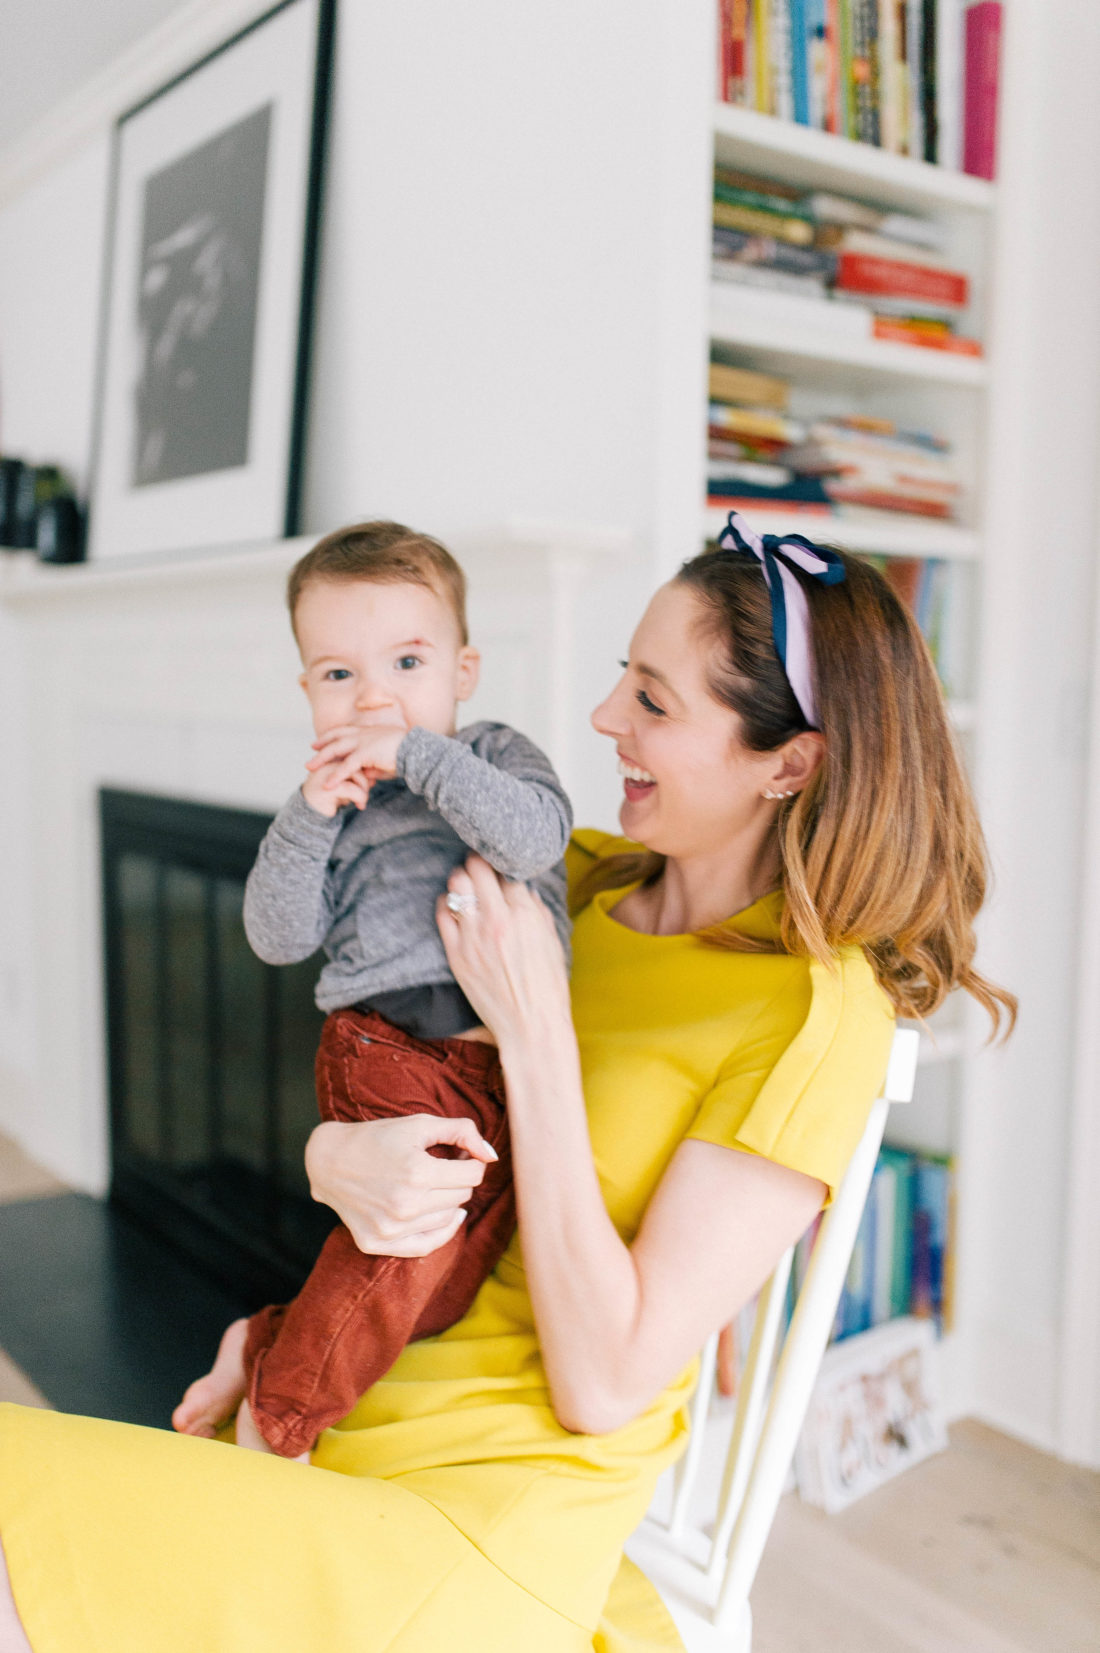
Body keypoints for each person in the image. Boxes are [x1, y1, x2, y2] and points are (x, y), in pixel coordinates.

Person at [0, 512, 1014, 1653]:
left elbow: (603, 1385)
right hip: (347, 1414)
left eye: (652, 699)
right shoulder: (563, 878)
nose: (600, 717)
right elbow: (384, 1074)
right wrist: (327, 1173)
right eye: (620, 675)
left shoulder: (811, 1018)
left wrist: (535, 1037)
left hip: (475, 1521)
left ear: (788, 760)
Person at [173, 520, 573, 1461]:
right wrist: (311, 817)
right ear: (309, 689)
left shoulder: (493, 753)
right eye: (340, 675)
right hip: (386, 1046)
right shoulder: (327, 798)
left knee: (444, 1283)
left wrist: (421, 757)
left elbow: (533, 842)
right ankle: (280, 1422)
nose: (377, 696)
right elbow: (277, 938)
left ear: (463, 671)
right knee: (406, 1248)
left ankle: (263, 1339)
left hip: (501, 1066)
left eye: (406, 660)